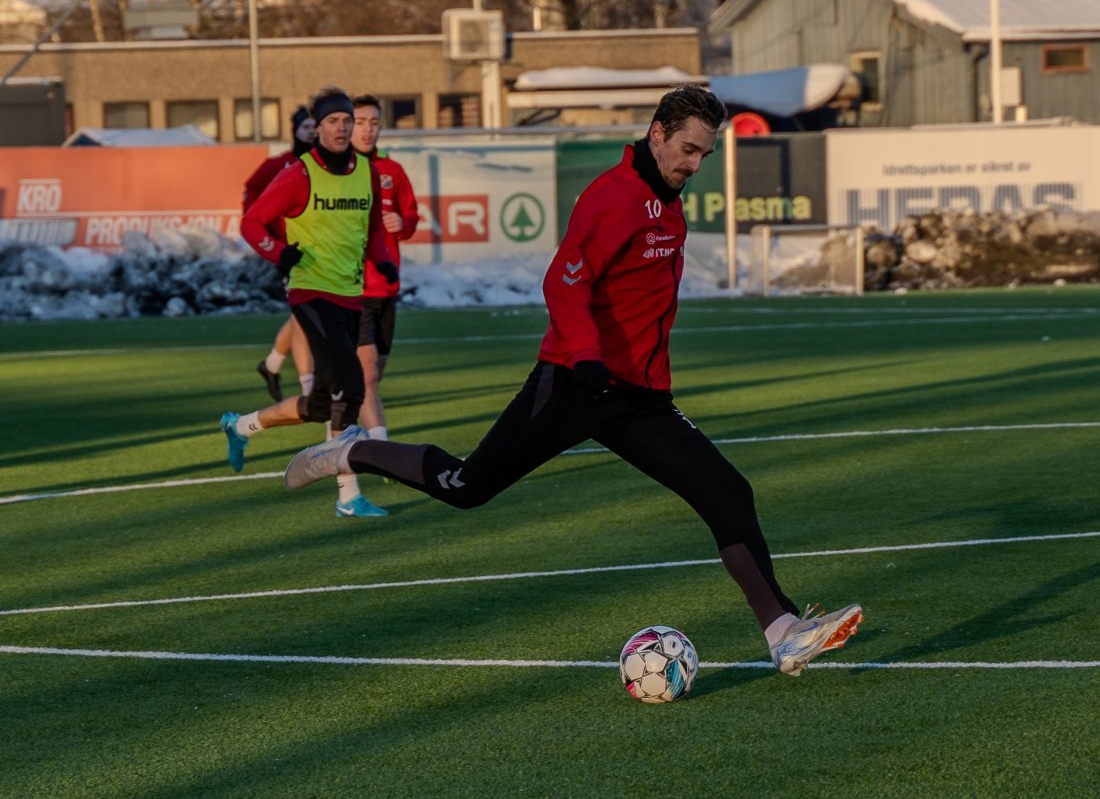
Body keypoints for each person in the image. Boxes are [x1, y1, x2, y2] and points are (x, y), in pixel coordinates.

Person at [284, 84, 863, 676]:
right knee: (466, 486)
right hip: (573, 382)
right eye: (688, 150)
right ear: (657, 133)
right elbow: (563, 282)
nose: (694, 165)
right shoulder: (612, 196)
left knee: (728, 493)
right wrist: (585, 355)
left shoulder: (666, 196)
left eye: (704, 155)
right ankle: (354, 450)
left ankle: (783, 632)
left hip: (639, 399)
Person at [221, 85, 398, 518]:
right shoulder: (299, 173)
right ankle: (347, 495)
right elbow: (251, 223)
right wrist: (277, 252)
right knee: (350, 385)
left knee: (321, 404)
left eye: (347, 121)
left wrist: (383, 259)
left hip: (350, 294)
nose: (342, 128)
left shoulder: (367, 173)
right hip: (310, 292)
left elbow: (373, 227)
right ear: (317, 129)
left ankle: (242, 426)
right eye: (333, 122)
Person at [346, 94, 420, 465]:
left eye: (374, 122)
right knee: (369, 374)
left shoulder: (393, 171)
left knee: (374, 374)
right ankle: (382, 451)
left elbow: (411, 217)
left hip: (386, 288)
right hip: (351, 288)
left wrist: (402, 224)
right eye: (361, 121)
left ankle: (339, 417)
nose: (367, 128)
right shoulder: (336, 172)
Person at [244, 104, 317, 402]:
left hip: (321, 251)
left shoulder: (329, 167)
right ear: (295, 132)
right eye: (306, 127)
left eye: (315, 126)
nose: (311, 132)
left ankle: (272, 364)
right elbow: (251, 200)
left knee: (306, 313)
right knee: (303, 315)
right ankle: (309, 387)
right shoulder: (280, 166)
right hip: (289, 253)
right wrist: (271, 244)